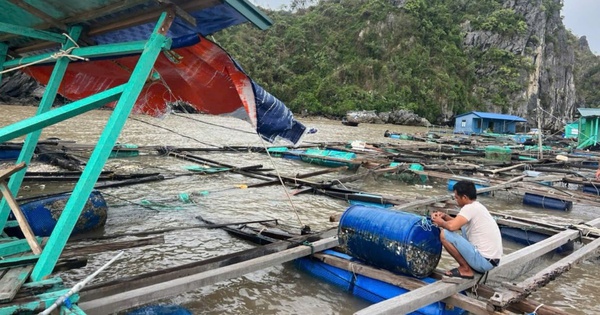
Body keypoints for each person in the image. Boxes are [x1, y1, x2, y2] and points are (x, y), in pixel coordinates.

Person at [430, 180, 502, 279]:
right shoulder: (478, 207)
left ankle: (465, 269)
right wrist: (445, 217)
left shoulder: (469, 208)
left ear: (464, 197)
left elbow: (452, 227)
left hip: (483, 261)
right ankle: (467, 267)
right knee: (454, 229)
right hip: (490, 261)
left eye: (457, 197)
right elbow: (458, 224)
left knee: (444, 234)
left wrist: (440, 222)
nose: (456, 200)